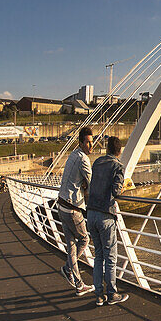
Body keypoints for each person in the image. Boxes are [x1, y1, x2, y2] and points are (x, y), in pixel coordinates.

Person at [86, 136, 129, 306]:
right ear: (119, 151)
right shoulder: (118, 166)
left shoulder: (97, 162)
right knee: (110, 257)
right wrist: (124, 186)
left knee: (98, 256)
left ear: (107, 149)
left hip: (91, 214)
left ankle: (98, 294)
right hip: (105, 215)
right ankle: (111, 294)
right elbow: (116, 191)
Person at [56, 126, 95, 296]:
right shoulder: (84, 160)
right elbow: (92, 183)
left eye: (92, 142)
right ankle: (68, 270)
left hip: (61, 204)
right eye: (87, 142)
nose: (90, 146)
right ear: (80, 142)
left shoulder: (72, 155)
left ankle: (77, 280)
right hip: (72, 208)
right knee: (85, 239)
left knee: (72, 245)